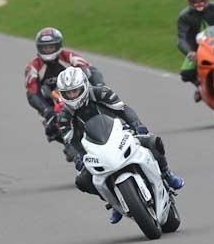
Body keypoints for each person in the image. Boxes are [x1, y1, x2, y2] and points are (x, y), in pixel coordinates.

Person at [55, 67, 184, 224]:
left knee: (153, 141)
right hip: (95, 148)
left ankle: (167, 174)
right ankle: (114, 202)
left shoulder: (102, 93)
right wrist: (78, 157)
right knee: (82, 181)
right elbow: (70, 141)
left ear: (84, 86)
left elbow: (124, 110)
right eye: (68, 93)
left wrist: (137, 125)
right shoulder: (63, 117)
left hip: (121, 133)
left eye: (75, 91)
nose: (72, 96)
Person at [24, 27, 105, 142]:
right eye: (44, 48)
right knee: (52, 131)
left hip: (77, 95)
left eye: (50, 47)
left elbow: (91, 70)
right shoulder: (33, 67)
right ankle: (72, 149)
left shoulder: (69, 56)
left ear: (58, 46)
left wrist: (100, 87)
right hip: (53, 106)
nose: (47, 50)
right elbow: (32, 94)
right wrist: (47, 111)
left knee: (104, 104)